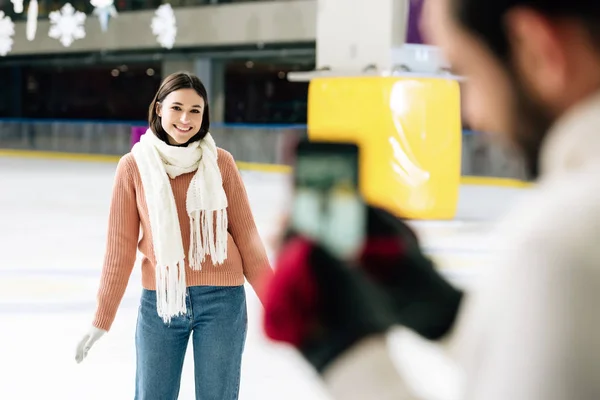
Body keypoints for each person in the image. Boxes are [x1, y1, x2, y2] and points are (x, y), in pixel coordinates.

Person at [261, 0, 600, 399]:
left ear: (538, 50)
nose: (472, 114)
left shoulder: (559, 244)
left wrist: (343, 353)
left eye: (468, 74)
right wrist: (450, 318)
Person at [74, 71, 273, 400]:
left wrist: (283, 304)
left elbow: (247, 236)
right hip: (161, 300)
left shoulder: (220, 163)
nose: (185, 118)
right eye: (177, 107)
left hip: (222, 301)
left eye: (195, 110)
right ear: (158, 109)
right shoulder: (133, 167)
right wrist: (102, 317)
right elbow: (120, 248)